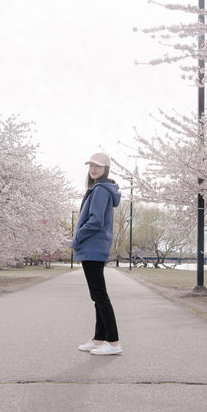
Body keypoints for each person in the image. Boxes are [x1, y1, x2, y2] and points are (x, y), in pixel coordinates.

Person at [72, 152, 123, 355]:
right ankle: (99, 338)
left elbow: (95, 221)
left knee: (100, 296)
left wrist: (76, 239)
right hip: (93, 248)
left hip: (92, 248)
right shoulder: (97, 189)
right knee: (98, 296)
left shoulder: (101, 190)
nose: (93, 169)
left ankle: (114, 342)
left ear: (106, 169)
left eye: (98, 166)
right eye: (91, 165)